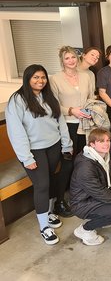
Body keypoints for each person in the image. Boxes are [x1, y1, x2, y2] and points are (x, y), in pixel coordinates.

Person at [6, 64, 73, 245]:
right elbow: (15, 131)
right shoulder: (17, 100)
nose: (40, 81)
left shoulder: (49, 96)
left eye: (43, 77)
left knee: (50, 179)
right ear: (27, 78)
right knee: (42, 184)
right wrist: (26, 158)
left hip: (53, 145)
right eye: (36, 77)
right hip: (33, 150)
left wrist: (66, 144)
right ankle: (44, 227)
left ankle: (50, 213)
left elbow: (60, 120)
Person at [70, 128, 111, 246]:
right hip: (83, 203)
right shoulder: (85, 167)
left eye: (107, 140)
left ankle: (105, 216)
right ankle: (85, 230)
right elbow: (100, 192)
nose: (106, 144)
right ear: (92, 144)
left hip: (101, 193)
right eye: (101, 141)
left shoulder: (106, 155)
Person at [49, 46, 95, 217]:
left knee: (85, 160)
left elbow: (91, 97)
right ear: (62, 60)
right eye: (67, 58)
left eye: (73, 57)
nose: (71, 60)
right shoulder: (55, 79)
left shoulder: (86, 76)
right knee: (68, 164)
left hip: (86, 124)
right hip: (68, 125)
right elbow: (53, 105)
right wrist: (71, 110)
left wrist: (90, 110)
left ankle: (84, 194)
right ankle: (60, 202)